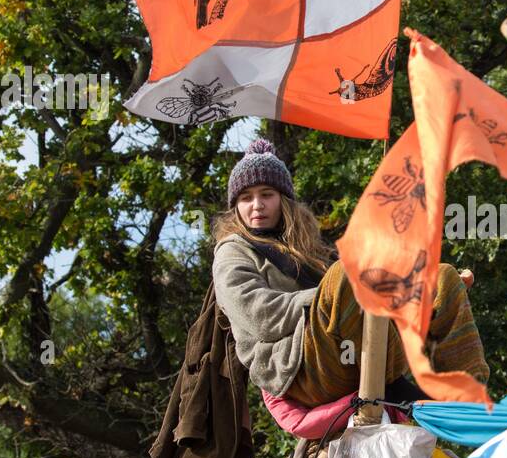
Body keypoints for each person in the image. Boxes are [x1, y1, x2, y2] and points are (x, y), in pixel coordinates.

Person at [209, 138, 489, 437]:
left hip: (356, 352)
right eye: (246, 197)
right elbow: (261, 317)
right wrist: (327, 297)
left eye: (267, 194)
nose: (257, 205)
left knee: (441, 276)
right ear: (235, 206)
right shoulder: (232, 252)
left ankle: (467, 398)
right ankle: (401, 392)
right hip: (301, 371)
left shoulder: (309, 251)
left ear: (284, 200)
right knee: (348, 274)